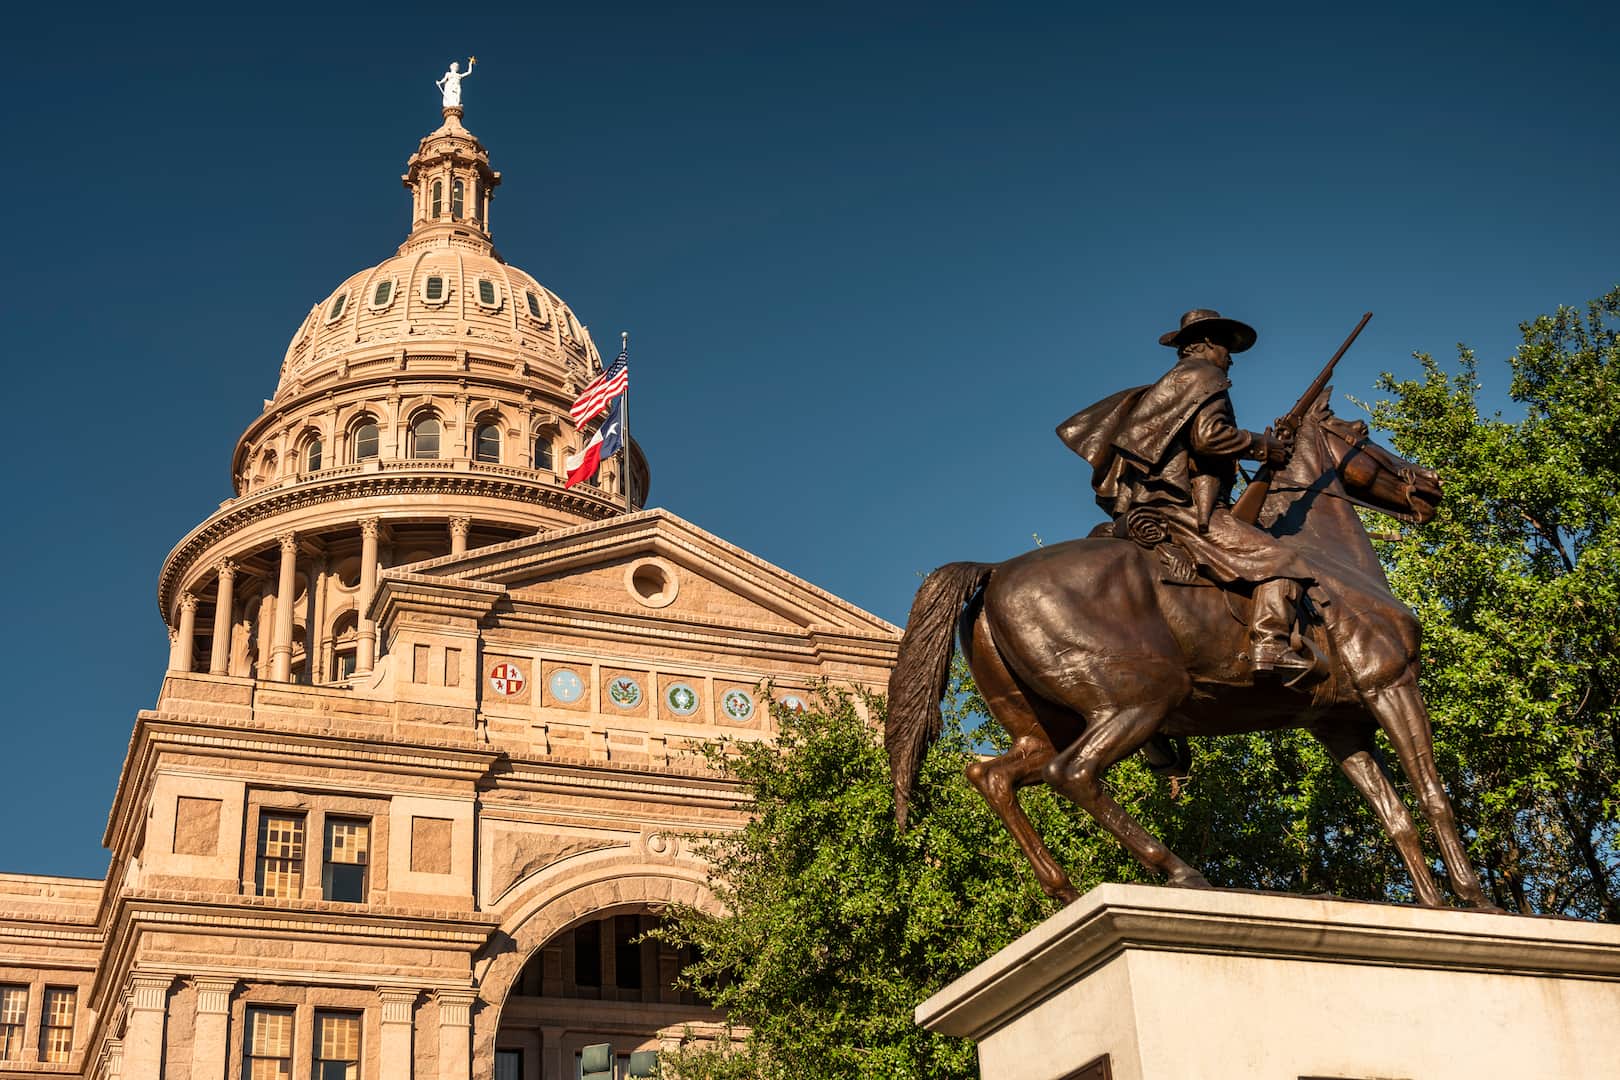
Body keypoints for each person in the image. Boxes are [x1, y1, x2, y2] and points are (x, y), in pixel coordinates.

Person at [1057, 309, 1315, 677]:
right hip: (1184, 510)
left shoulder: (1169, 385)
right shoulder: (1206, 377)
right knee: (1283, 560)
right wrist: (1261, 445)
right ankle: (1270, 643)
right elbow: (1209, 438)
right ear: (1209, 344)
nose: (1230, 360)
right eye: (1226, 349)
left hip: (1150, 505)